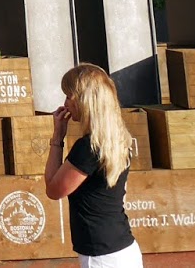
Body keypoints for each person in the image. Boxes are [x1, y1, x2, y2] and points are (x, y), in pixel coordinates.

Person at [43, 63, 141, 267]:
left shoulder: (88, 148)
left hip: (101, 256)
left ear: (85, 100)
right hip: (122, 248)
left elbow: (53, 190)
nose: (65, 103)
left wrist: (57, 138)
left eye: (70, 96)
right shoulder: (118, 139)